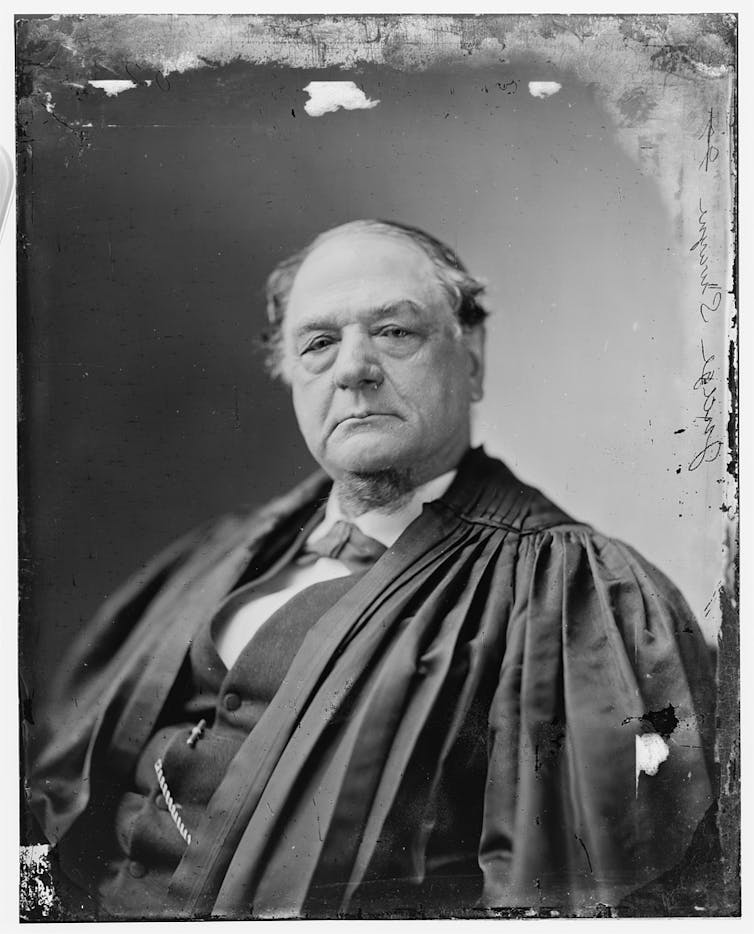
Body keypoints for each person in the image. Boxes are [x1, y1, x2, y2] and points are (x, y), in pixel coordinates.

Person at [26, 219, 717, 920]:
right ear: (292, 375)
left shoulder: (576, 594)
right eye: (320, 343)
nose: (353, 368)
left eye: (394, 332)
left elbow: (588, 899)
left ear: (471, 356)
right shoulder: (213, 555)